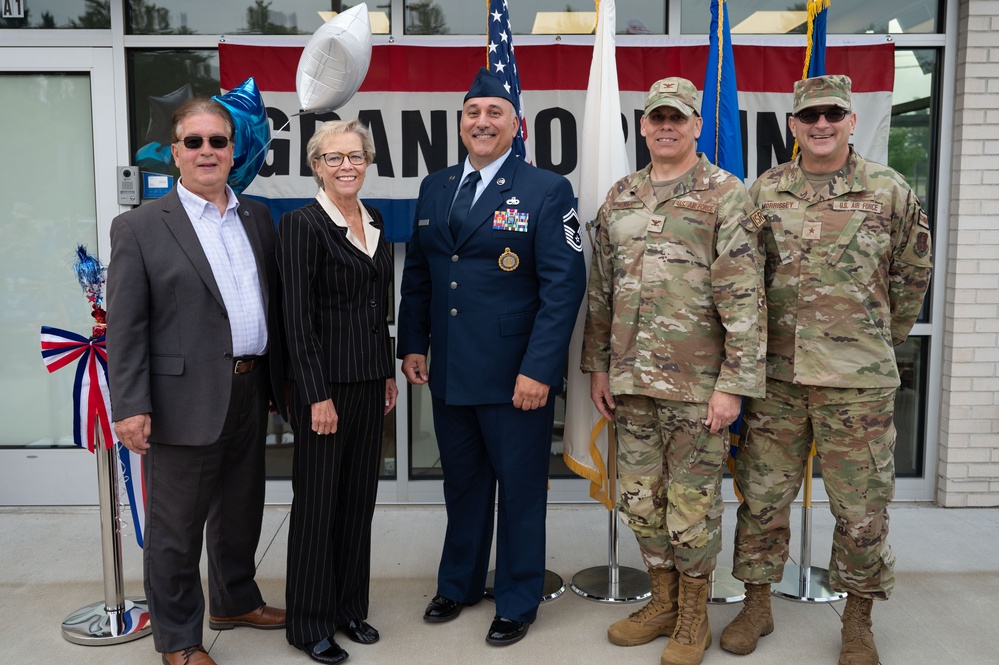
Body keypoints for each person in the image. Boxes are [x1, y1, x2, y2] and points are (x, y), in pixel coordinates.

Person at [721, 75, 933, 665]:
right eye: (809, 115)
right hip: (778, 381)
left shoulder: (889, 191)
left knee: (861, 508)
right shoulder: (763, 192)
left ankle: (858, 620)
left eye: (832, 114)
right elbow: (741, 279)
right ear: (793, 124)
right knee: (762, 498)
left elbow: (912, 278)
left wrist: (870, 345)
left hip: (856, 384)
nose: (821, 125)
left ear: (850, 120)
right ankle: (757, 603)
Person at [397, 67, 586, 647]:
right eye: (473, 113)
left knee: (522, 491)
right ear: (460, 124)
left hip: (513, 377)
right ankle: (457, 585)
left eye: (494, 113)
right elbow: (423, 275)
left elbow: (563, 288)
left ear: (515, 125)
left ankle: (518, 598)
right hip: (451, 370)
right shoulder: (436, 185)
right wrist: (411, 343)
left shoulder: (546, 190)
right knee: (464, 486)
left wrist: (538, 370)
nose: (483, 122)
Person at [581, 77, 767, 665]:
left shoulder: (725, 194)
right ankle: (661, 600)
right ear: (643, 125)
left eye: (678, 118)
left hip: (698, 387)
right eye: (656, 117)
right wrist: (599, 368)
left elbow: (745, 298)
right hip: (631, 381)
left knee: (692, 506)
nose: (666, 126)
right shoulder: (621, 196)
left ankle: (693, 614)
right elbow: (603, 290)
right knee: (639, 498)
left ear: (694, 126)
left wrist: (733, 386)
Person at [107, 98, 286, 665]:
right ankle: (179, 639)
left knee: (241, 508)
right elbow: (127, 325)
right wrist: (130, 404)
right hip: (180, 399)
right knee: (175, 528)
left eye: (218, 141)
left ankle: (234, 599)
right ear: (175, 152)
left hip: (250, 388)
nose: (207, 151)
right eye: (194, 142)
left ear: (234, 150)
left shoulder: (257, 216)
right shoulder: (139, 227)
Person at [277, 120, 398, 665]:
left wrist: (389, 371)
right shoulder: (302, 226)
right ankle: (308, 622)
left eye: (355, 156)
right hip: (323, 391)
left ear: (367, 162)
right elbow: (295, 321)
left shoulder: (372, 219)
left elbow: (380, 309)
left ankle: (350, 608)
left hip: (371, 383)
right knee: (317, 506)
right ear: (316, 166)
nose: (346, 166)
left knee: (357, 503)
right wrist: (315, 394)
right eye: (334, 158)